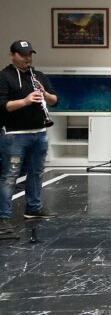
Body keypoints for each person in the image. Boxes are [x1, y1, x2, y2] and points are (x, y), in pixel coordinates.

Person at [0, 40, 58, 229]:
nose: (27, 58)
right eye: (23, 54)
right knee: (10, 175)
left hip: (39, 132)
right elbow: (3, 106)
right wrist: (25, 101)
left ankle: (33, 207)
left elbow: (55, 100)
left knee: (36, 172)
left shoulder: (37, 75)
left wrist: (45, 94)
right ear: (12, 55)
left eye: (29, 54)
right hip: (14, 134)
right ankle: (3, 216)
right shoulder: (4, 76)